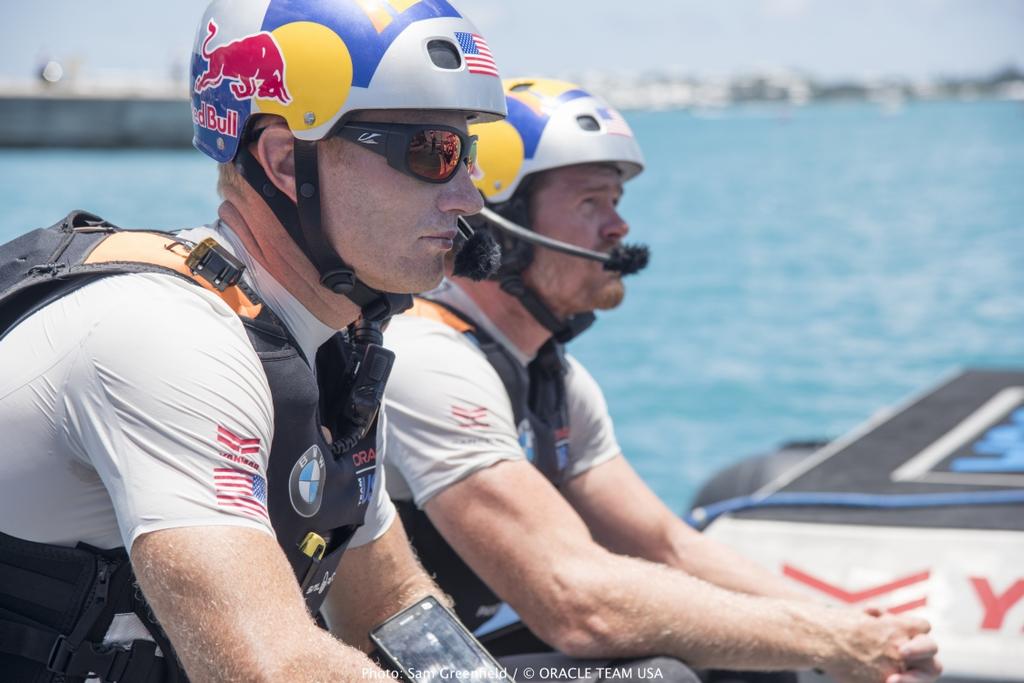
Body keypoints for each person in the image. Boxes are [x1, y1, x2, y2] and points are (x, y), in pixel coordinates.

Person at [0, 1, 508, 681]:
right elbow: (269, 668)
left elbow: (389, 607)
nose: (469, 197)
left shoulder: (330, 353)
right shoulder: (166, 338)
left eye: (466, 152)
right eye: (432, 153)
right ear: (279, 158)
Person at [381, 78, 944, 683]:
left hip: (457, 650)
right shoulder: (427, 359)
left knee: (749, 644)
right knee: (664, 675)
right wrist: (827, 640)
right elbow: (576, 605)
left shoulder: (551, 380)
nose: (618, 226)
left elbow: (670, 547)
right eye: (591, 203)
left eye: (617, 202)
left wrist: (850, 628)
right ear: (504, 223)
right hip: (373, 668)